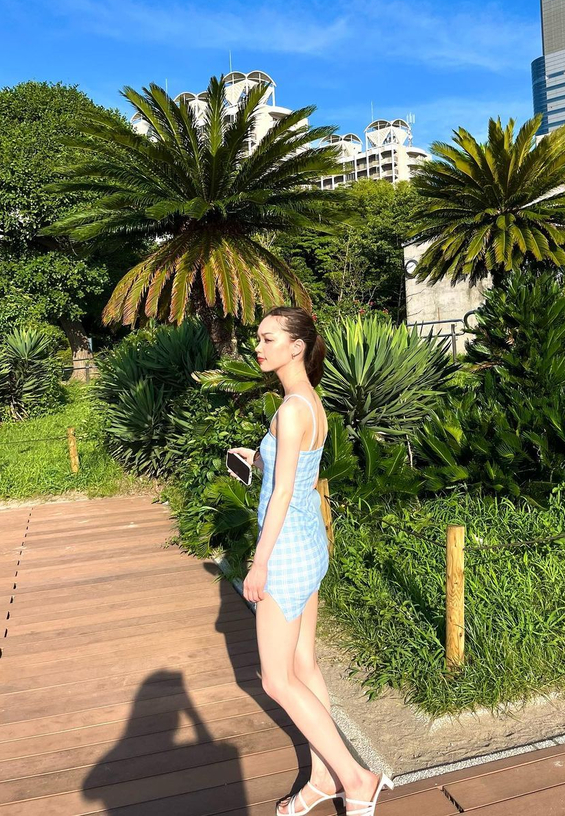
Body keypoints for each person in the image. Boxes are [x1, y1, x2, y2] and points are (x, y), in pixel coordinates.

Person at [229, 306, 393, 816]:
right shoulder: (307, 402)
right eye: (258, 338)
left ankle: (357, 779)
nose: (258, 347)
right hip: (308, 547)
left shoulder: (290, 410)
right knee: (304, 664)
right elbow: (294, 471)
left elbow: (281, 495)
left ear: (296, 346)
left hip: (284, 554)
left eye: (268, 339)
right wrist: (257, 456)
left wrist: (258, 563)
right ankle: (323, 779)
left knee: (275, 680)